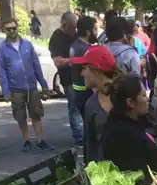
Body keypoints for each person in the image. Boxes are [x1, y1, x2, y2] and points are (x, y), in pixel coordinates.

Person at [0, 18, 52, 152]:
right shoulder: (2, 48)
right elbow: (1, 70)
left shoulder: (27, 44)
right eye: (8, 29)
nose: (12, 31)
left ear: (17, 28)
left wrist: (43, 84)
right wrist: (5, 90)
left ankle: (40, 140)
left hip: (31, 87)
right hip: (15, 88)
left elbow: (36, 65)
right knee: (20, 117)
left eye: (14, 28)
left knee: (36, 114)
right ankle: (26, 141)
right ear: (4, 30)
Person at [103, 73, 157, 181]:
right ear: (130, 102)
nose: (147, 99)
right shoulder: (128, 136)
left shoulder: (117, 124)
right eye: (143, 95)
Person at [71, 46, 119, 163]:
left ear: (97, 70)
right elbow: (89, 147)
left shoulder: (128, 92)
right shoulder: (91, 104)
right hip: (106, 171)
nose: (82, 74)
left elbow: (153, 126)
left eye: (84, 68)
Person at [49, 12, 81, 145]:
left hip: (82, 77)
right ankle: (79, 138)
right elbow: (58, 61)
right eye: (72, 27)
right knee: (74, 108)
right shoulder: (56, 38)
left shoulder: (77, 35)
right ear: (65, 25)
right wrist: (76, 60)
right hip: (68, 79)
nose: (74, 29)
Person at [69, 15, 97, 122]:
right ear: (88, 32)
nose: (96, 32)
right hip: (87, 92)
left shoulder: (74, 46)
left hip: (79, 92)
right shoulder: (85, 50)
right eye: (95, 29)